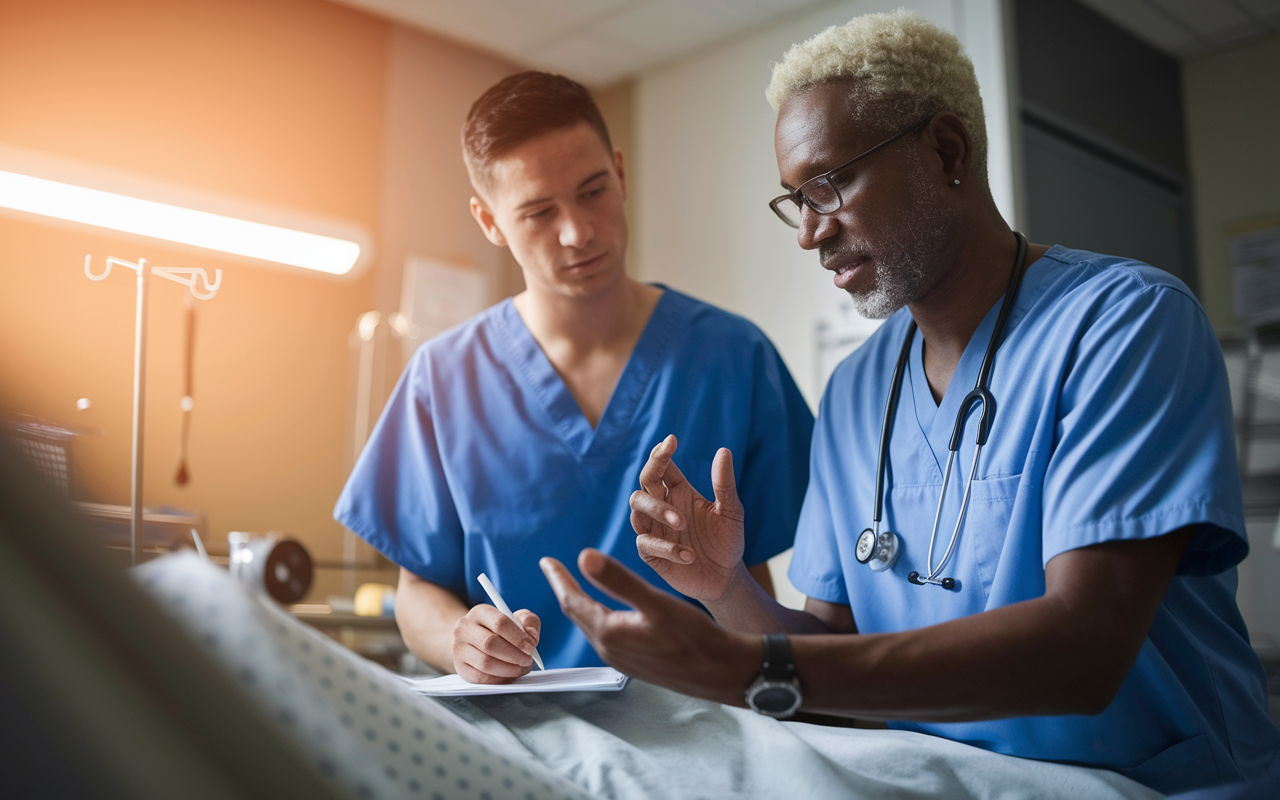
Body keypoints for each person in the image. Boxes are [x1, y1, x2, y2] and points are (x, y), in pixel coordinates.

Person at [538, 11, 1280, 795]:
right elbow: (827, 651)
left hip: (1153, 782)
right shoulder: (858, 390)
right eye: (795, 199)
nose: (809, 234)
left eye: (829, 183)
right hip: (947, 780)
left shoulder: (1124, 324)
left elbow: (1083, 654)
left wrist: (758, 667)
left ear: (947, 151)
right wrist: (726, 591)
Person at [334, 72, 813, 683]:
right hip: (524, 736)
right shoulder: (443, 378)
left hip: (701, 726)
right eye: (538, 212)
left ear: (620, 171)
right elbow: (416, 592)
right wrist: (462, 640)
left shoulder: (732, 357)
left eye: (592, 192)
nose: (577, 232)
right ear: (490, 222)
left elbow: (756, 589)